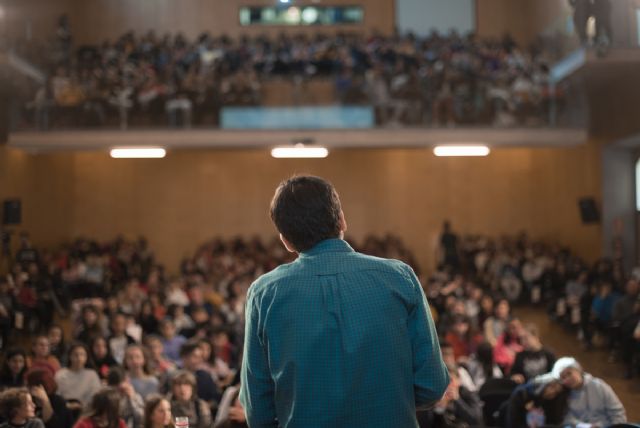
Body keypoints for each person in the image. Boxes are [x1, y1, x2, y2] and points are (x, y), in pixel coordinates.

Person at [240, 175, 449, 427]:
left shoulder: (264, 293)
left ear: (284, 239)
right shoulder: (399, 278)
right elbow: (432, 386)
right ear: (341, 219)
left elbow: (258, 411)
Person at [553, 357, 626, 425]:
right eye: (563, 378)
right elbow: (567, 418)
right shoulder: (565, 394)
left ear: (578, 370)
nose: (567, 379)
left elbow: (617, 413)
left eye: (569, 373)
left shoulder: (598, 385)